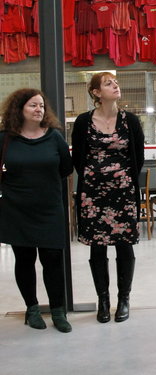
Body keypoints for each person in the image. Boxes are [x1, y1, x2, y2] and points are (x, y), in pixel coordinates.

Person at [72, 72, 145, 324]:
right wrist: (96, 178)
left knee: (124, 245)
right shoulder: (83, 122)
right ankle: (103, 300)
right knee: (97, 247)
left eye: (115, 82)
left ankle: (123, 299)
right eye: (107, 83)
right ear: (95, 92)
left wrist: (121, 179)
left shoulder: (130, 121)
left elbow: (138, 157)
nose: (115, 86)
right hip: (93, 194)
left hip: (123, 193)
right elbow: (78, 158)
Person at [0, 88, 73, 333]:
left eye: (41, 105)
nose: (39, 109)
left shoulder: (54, 137)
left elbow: (66, 168)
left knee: (53, 259)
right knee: (25, 259)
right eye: (33, 105)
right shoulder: (5, 137)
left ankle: (58, 311)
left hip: (49, 208)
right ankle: (32, 309)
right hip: (16, 208)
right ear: (19, 109)